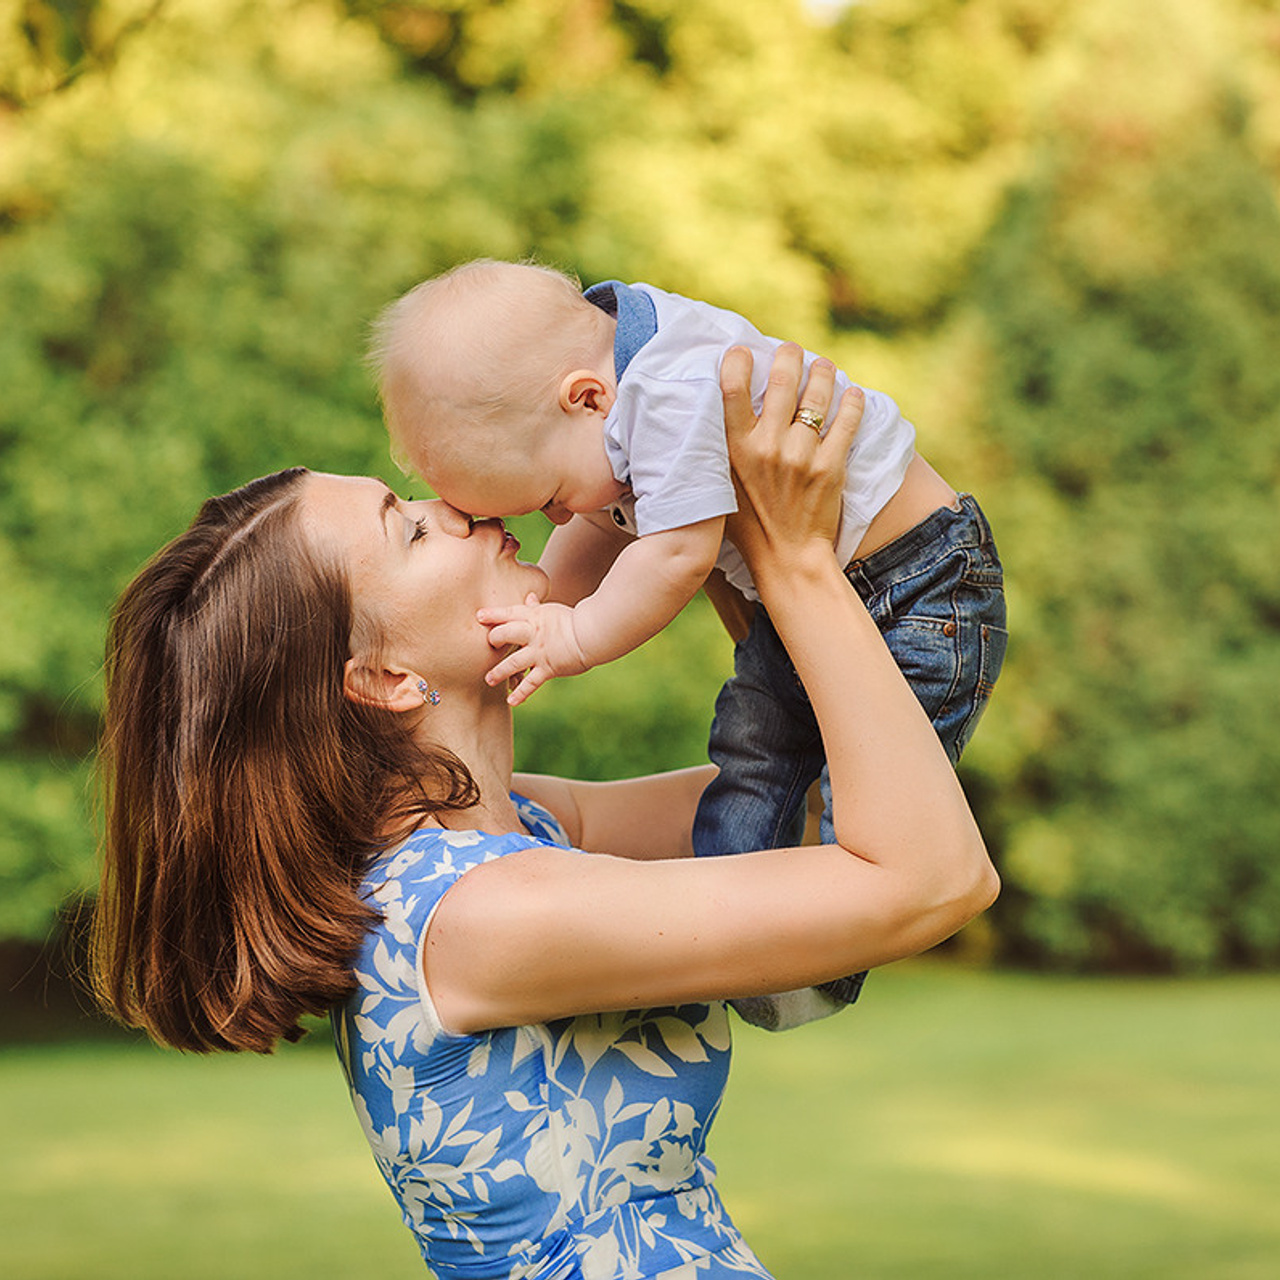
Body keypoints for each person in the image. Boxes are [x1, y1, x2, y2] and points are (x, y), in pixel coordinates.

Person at [90, 346, 998, 1279]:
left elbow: (807, 804)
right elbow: (931, 878)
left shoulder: (522, 831)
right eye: (411, 531)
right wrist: (793, 559)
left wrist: (713, 521)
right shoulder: (480, 919)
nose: (457, 507)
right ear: (385, 678)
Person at [372, 259, 1008, 1028]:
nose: (554, 518)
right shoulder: (615, 374)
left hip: (919, 583)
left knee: (852, 802)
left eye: (549, 498)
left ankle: (824, 961)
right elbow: (604, 526)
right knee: (754, 754)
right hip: (831, 584)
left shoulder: (668, 391)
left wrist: (573, 634)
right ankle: (796, 950)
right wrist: (540, 609)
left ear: (587, 398)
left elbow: (675, 556)